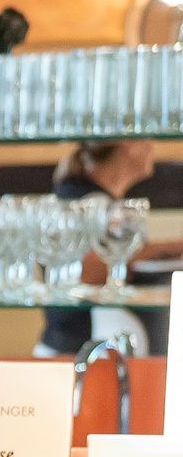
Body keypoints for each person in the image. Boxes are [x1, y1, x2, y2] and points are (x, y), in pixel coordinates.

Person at [38, 139, 181, 356]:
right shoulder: (80, 200)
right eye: (146, 138)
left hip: (94, 351)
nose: (152, 146)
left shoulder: (91, 197)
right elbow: (86, 270)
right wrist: (166, 248)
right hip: (82, 352)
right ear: (127, 144)